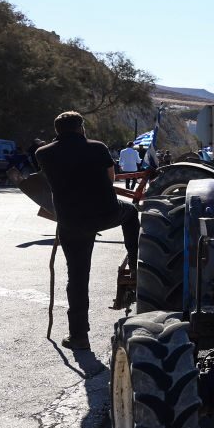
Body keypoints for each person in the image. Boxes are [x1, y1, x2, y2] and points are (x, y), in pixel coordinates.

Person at [35, 112, 140, 351]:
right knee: (132, 212)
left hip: (72, 221)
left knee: (78, 277)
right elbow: (110, 177)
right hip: (106, 213)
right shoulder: (98, 147)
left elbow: (50, 182)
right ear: (81, 128)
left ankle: (79, 336)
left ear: (57, 130)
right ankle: (135, 262)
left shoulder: (43, 153)